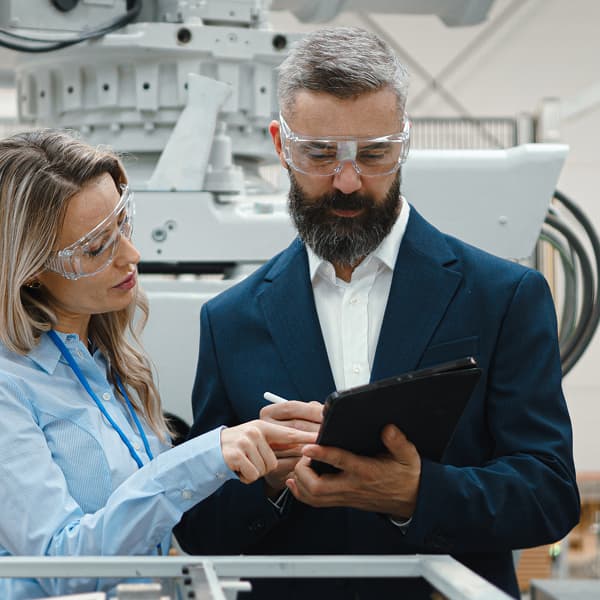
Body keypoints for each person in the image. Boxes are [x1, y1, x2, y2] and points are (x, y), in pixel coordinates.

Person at [175, 26, 580, 599]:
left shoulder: (504, 296)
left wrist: (417, 493)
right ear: (280, 144)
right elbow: (198, 528)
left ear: (405, 143)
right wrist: (262, 481)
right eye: (319, 154)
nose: (346, 180)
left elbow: (549, 493)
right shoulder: (230, 320)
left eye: (373, 154)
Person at [0, 129, 316, 600]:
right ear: (28, 272)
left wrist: (260, 468)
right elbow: (58, 565)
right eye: (95, 247)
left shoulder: (110, 364)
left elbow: (152, 528)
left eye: (123, 224)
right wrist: (206, 456)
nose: (131, 255)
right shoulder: (10, 387)